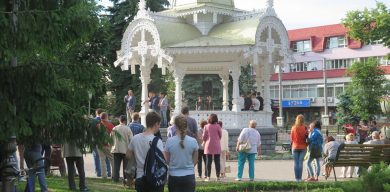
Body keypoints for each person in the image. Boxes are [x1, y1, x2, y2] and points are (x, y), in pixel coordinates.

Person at [127, 112, 165, 192]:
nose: (159, 126)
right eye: (159, 124)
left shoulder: (135, 138)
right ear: (155, 124)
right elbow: (164, 159)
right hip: (153, 177)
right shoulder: (157, 141)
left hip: (140, 177)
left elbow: (128, 155)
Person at [165, 115, 199, 192]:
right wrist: (188, 166)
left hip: (174, 176)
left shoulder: (169, 141)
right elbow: (195, 160)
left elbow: (167, 160)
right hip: (189, 175)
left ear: (175, 126)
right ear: (186, 126)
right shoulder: (193, 141)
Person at [111, 115, 133, 182]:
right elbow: (131, 139)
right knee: (125, 166)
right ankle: (125, 179)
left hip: (116, 148)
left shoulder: (114, 128)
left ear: (119, 120)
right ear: (125, 121)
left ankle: (115, 178)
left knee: (116, 165)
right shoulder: (128, 129)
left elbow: (111, 138)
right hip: (125, 149)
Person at [202, 114, 222, 181]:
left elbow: (204, 137)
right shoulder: (218, 126)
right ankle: (218, 176)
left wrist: (205, 140)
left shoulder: (206, 126)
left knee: (208, 161)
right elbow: (220, 135)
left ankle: (208, 176)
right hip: (216, 144)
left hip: (208, 145)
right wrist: (216, 139)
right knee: (217, 161)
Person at [93, 108, 110, 177]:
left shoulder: (94, 121)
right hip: (106, 142)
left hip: (96, 141)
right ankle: (109, 172)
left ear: (96, 113)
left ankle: (99, 172)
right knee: (107, 158)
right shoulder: (107, 121)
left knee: (97, 157)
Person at [290, 114, 308, 182]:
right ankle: (300, 178)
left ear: (296, 120)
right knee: (300, 163)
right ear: (303, 120)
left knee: (296, 163)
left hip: (295, 147)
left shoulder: (293, 127)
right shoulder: (305, 128)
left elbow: (291, 138)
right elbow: (307, 136)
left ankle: (296, 178)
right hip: (303, 147)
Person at [98, 112, 114, 179]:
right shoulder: (110, 125)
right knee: (112, 159)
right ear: (106, 116)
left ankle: (104, 175)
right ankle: (114, 175)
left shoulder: (98, 125)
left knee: (102, 159)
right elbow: (113, 135)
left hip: (99, 144)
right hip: (108, 144)